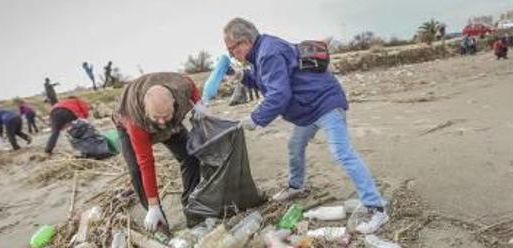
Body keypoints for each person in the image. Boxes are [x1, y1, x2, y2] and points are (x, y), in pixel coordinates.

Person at [223, 17, 388, 234]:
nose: (231, 54)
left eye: (231, 49)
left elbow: (279, 94)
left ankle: (377, 208)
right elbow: (266, 79)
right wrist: (242, 75)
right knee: (295, 145)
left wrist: (256, 118)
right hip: (309, 110)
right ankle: (296, 186)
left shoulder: (268, 52)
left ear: (244, 42)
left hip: (325, 104)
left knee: (341, 152)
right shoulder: (263, 52)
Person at [113, 72, 204, 232]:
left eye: (165, 115)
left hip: (169, 118)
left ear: (174, 103)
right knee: (137, 172)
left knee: (191, 156)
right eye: (157, 117)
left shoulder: (181, 87)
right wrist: (153, 205)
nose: (161, 121)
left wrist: (199, 104)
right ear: (147, 110)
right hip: (129, 123)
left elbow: (191, 86)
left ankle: (194, 208)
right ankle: (159, 222)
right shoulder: (135, 121)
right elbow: (146, 162)